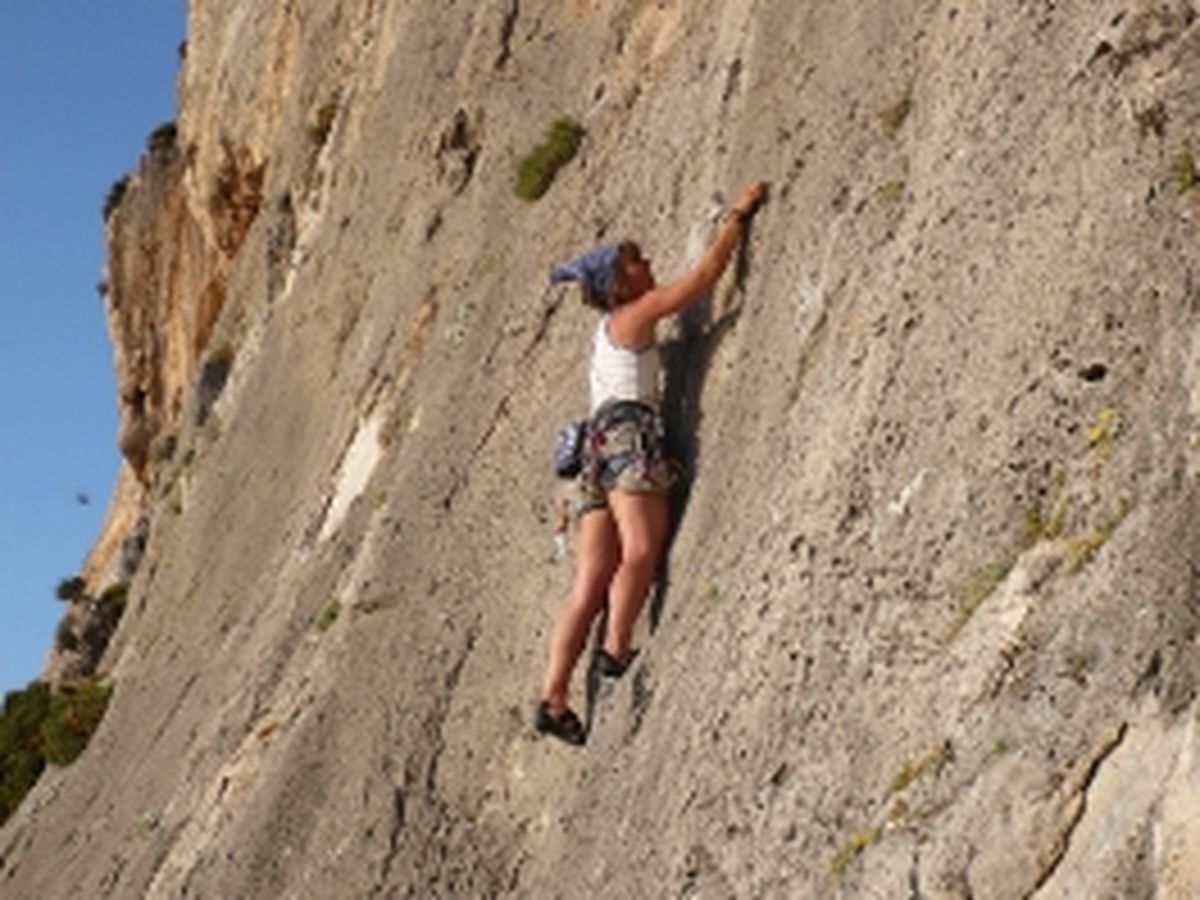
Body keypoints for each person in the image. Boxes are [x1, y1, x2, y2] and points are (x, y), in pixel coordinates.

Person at [536, 181, 769, 745]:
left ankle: (554, 694)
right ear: (620, 283)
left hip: (594, 449)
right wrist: (737, 215)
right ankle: (616, 649)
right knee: (641, 549)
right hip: (625, 439)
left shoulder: (603, 335)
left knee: (588, 580)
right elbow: (704, 280)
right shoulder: (632, 315)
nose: (649, 264)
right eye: (637, 262)